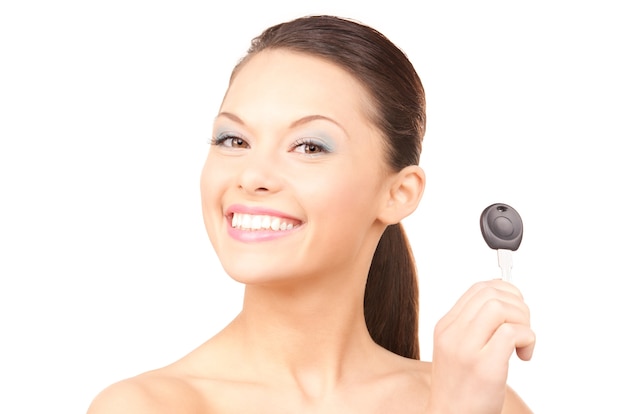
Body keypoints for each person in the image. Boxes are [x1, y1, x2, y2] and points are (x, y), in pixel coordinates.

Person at [87, 15, 535, 413]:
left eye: (309, 146)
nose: (252, 175)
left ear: (399, 193)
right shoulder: (144, 406)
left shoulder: (488, 402)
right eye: (234, 140)